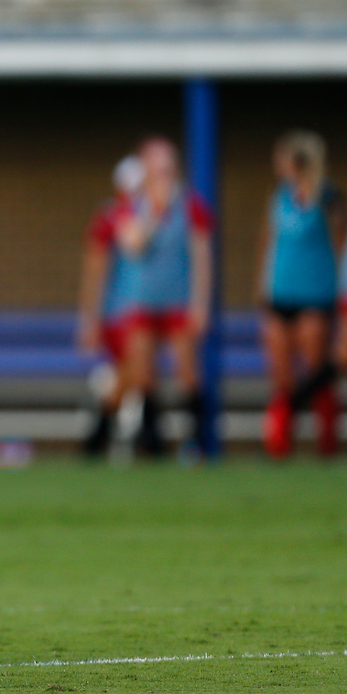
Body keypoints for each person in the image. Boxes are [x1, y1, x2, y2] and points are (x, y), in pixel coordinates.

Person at [117, 136, 214, 457]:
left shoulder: (191, 205)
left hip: (179, 299)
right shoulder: (133, 205)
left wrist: (201, 305)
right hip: (143, 298)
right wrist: (154, 214)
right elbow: (134, 245)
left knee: (187, 372)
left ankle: (197, 442)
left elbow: (202, 259)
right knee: (143, 373)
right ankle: (151, 442)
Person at [259, 131, 343, 457]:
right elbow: (269, 241)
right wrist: (263, 286)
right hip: (281, 292)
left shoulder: (328, 198)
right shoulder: (279, 197)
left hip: (316, 293)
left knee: (316, 366)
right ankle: (280, 445)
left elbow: (340, 245)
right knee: (281, 373)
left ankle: (326, 443)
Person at [77, 154, 144, 457]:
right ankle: (103, 434)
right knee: (133, 373)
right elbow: (96, 270)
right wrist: (90, 318)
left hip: (139, 310)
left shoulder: (148, 214)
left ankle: (102, 433)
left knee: (134, 376)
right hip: (120, 312)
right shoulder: (113, 218)